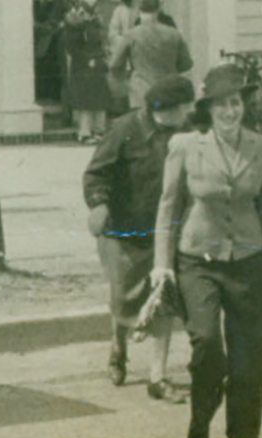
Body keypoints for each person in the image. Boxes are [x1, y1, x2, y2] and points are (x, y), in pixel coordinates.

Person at [153, 65, 262, 438]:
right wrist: (162, 263)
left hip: (249, 260)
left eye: (236, 102)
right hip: (198, 262)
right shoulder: (185, 147)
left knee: (248, 357)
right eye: (222, 104)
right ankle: (200, 427)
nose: (230, 111)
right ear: (208, 109)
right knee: (206, 344)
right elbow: (168, 208)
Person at [82, 74, 195, 403]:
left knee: (164, 300)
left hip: (165, 232)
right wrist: (98, 204)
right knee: (123, 300)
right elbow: (96, 172)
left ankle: (157, 376)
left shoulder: (186, 131)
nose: (187, 114)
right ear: (166, 110)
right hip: (123, 232)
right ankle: (118, 349)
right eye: (183, 109)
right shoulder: (125, 129)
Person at [110, 0, 194, 115]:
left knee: (143, 126)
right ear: (158, 10)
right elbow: (186, 64)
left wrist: (126, 78)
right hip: (168, 90)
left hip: (140, 91)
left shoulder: (131, 35)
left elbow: (115, 65)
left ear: (139, 10)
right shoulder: (173, 34)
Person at [64, 0, 113, 142]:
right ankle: (84, 132)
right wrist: (87, 59)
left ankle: (99, 130)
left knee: (100, 100)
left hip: (97, 64)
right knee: (86, 102)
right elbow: (72, 48)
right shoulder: (76, 25)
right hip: (84, 66)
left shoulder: (95, 23)